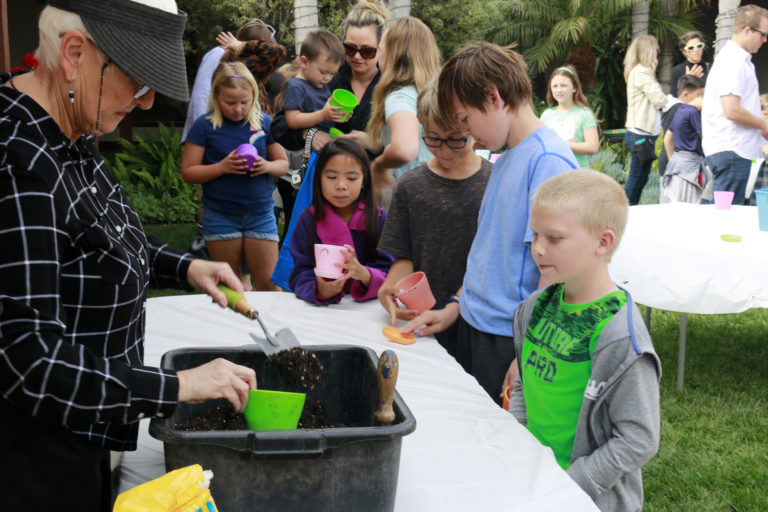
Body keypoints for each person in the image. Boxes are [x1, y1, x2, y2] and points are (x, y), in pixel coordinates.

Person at [0, 1, 257, 509]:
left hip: (89, 425)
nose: (144, 102)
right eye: (138, 82)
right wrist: (177, 385)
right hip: (39, 455)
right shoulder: (17, 161)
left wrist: (185, 265)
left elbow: (108, 234)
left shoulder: (70, 127)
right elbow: (29, 359)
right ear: (75, 53)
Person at [402, 42, 577, 404]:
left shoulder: (547, 161)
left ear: (493, 97)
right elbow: (490, 254)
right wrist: (455, 307)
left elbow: (557, 274)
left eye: (464, 119)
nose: (466, 132)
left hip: (507, 341)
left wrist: (530, 352)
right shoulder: (509, 155)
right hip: (475, 327)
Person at [508, 169, 661, 512]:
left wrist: (571, 485)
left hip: (580, 498)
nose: (538, 248)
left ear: (602, 242)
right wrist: (520, 442)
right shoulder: (533, 309)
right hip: (532, 482)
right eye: (534, 235)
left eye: (554, 238)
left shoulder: (620, 337)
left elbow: (639, 439)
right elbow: (524, 382)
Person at [377, 78, 491, 357]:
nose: (443, 149)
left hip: (477, 325)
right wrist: (389, 287)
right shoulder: (411, 185)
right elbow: (405, 255)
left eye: (455, 139)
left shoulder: (494, 183)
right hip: (421, 323)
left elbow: (492, 262)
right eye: (432, 138)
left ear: (473, 129)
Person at [182, 61, 289, 291]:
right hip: (221, 215)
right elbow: (188, 172)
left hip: (260, 214)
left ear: (254, 96)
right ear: (216, 96)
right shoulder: (204, 127)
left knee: (270, 286)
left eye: (244, 102)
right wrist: (221, 167)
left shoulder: (264, 123)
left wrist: (266, 166)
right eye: (229, 102)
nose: (238, 108)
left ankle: (271, 327)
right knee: (230, 286)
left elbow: (282, 164)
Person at [289, 139, 394, 304]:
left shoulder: (379, 220)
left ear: (364, 181)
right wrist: (320, 289)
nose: (341, 185)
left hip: (368, 307)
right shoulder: (309, 219)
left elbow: (391, 271)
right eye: (331, 177)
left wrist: (364, 274)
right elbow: (301, 270)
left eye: (351, 178)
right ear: (319, 178)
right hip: (322, 308)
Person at [367, 16, 441, 202]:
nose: (378, 60)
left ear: (391, 57)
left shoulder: (398, 97)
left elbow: (404, 149)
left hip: (413, 203)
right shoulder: (436, 94)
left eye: (380, 52)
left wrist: (379, 165)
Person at [702, 4, 768, 205]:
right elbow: (731, 110)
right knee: (727, 223)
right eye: (763, 35)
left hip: (732, 151)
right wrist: (763, 125)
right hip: (732, 151)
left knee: (726, 218)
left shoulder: (738, 59)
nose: (764, 40)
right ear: (747, 30)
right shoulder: (733, 60)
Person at [623, 34, 668, 205]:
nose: (658, 52)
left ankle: (628, 214)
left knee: (640, 179)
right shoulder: (641, 72)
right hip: (641, 134)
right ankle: (625, 215)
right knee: (636, 180)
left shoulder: (639, 71)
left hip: (641, 134)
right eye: (656, 48)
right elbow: (659, 99)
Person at [282, 30, 346, 132]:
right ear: (304, 62)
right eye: (323, 72)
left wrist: (338, 113)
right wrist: (322, 115)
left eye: (332, 73)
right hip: (305, 146)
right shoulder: (296, 87)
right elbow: (292, 120)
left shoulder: (320, 83)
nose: (327, 78)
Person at [539, 66, 599, 168]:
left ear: (574, 88)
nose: (559, 90)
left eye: (563, 86)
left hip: (577, 174)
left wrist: (562, 144)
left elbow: (593, 147)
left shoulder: (584, 114)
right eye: (555, 86)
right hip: (552, 173)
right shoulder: (546, 115)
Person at [661, 75, 708, 203]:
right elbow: (705, 136)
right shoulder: (692, 112)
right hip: (689, 168)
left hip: (677, 165)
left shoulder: (680, 110)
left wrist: (673, 160)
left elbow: (667, 138)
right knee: (689, 206)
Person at [669, 31, 711, 98]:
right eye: (691, 48)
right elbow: (676, 98)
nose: (696, 50)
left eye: (699, 46)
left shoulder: (711, 68)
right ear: (684, 52)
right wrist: (688, 80)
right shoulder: (677, 71)